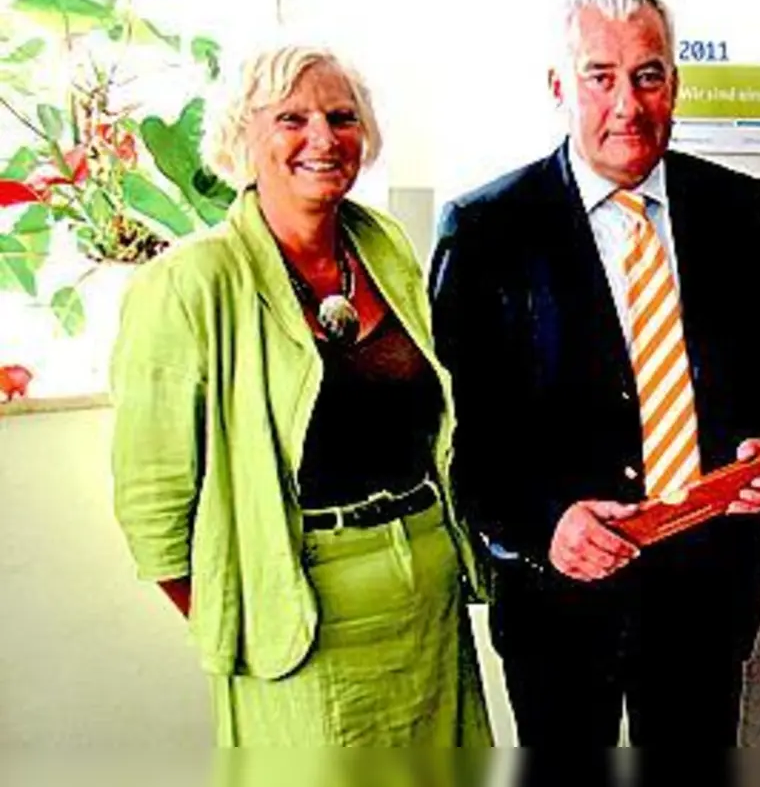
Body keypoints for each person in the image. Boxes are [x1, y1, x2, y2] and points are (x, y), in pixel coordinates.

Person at [428, 0, 760, 746]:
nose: (627, 105)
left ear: (675, 83)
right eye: (600, 77)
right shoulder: (486, 227)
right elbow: (464, 436)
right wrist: (543, 527)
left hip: (707, 596)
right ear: (558, 86)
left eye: (647, 75)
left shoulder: (738, 208)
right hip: (559, 603)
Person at [110, 45, 491, 746]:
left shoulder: (383, 247)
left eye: (341, 118)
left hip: (428, 604)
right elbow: (152, 501)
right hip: (298, 614)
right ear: (242, 135)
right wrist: (243, 618)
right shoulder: (191, 282)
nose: (323, 138)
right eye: (292, 119)